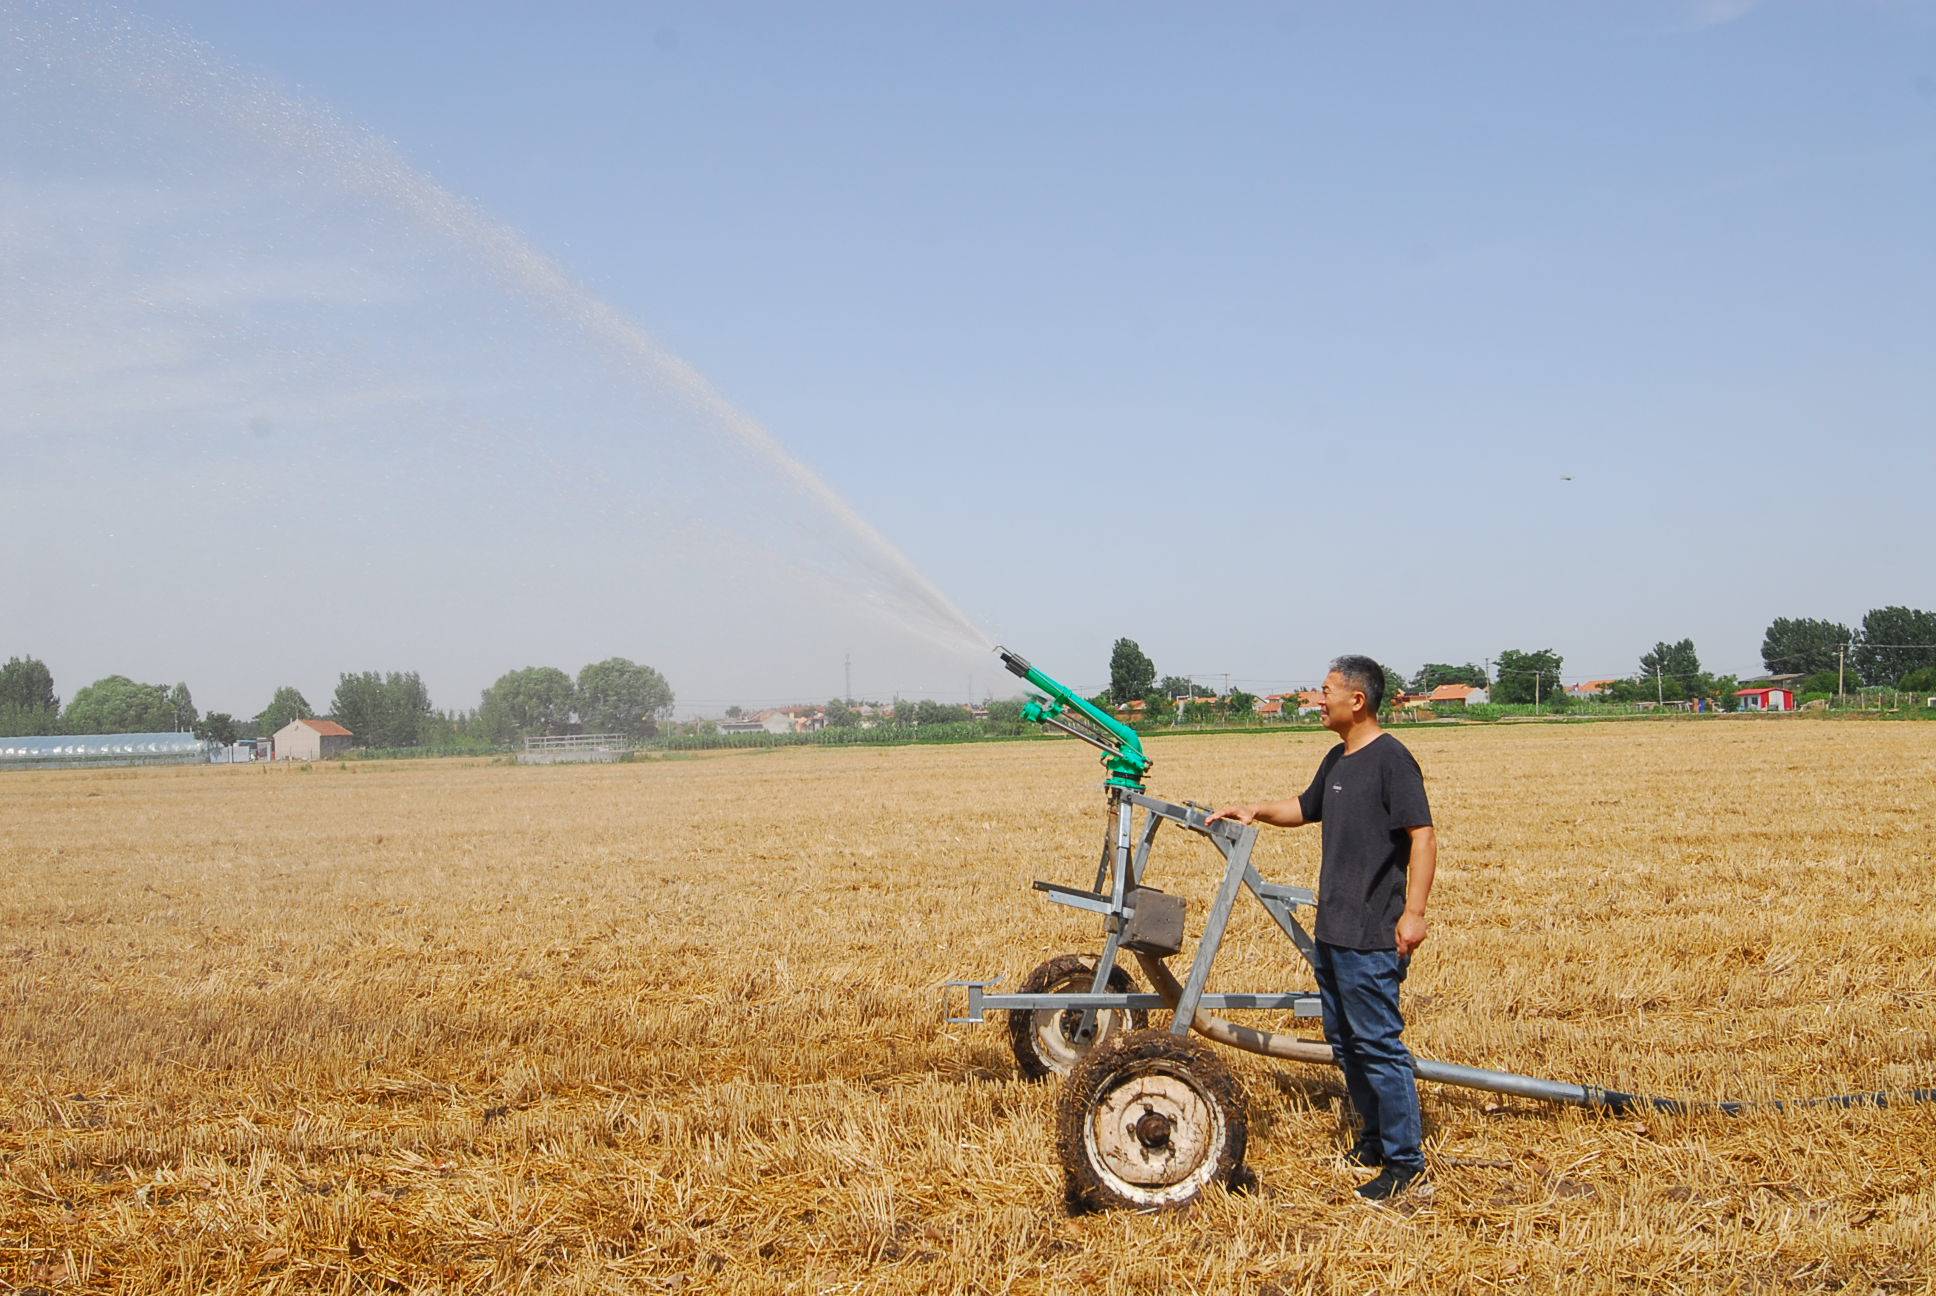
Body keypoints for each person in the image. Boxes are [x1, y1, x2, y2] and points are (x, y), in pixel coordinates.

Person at [1209, 655, 1438, 1201]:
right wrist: (1256, 810)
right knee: (1345, 1041)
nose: (1319, 698)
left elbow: (1423, 837)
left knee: (1380, 1046)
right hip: (1334, 930)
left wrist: (1415, 913)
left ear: (1356, 700)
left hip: (1372, 932)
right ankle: (1375, 1139)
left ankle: (1406, 1163)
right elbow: (1305, 807)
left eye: (1327, 690)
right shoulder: (1338, 759)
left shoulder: (1392, 761)